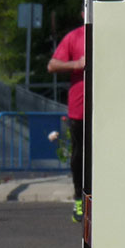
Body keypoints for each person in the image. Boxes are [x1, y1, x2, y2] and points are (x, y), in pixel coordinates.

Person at [47, 19, 87, 223]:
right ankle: (79, 198)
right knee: (79, 154)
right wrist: (76, 64)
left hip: (110, 108)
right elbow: (52, 65)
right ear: (84, 12)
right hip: (80, 108)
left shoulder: (112, 34)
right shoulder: (75, 36)